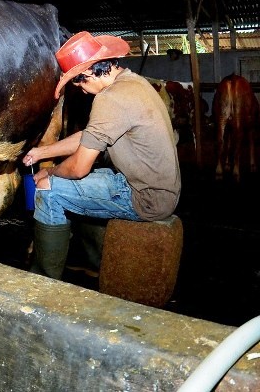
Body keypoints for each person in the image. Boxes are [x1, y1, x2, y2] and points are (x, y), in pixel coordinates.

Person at [22, 31, 181, 279]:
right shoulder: (133, 83)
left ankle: (43, 280)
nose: (83, 91)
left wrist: (49, 171)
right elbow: (91, 135)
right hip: (156, 187)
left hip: (144, 197)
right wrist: (43, 151)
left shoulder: (109, 99)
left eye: (81, 83)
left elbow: (78, 168)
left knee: (48, 189)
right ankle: (96, 263)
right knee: (89, 181)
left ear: (91, 72)